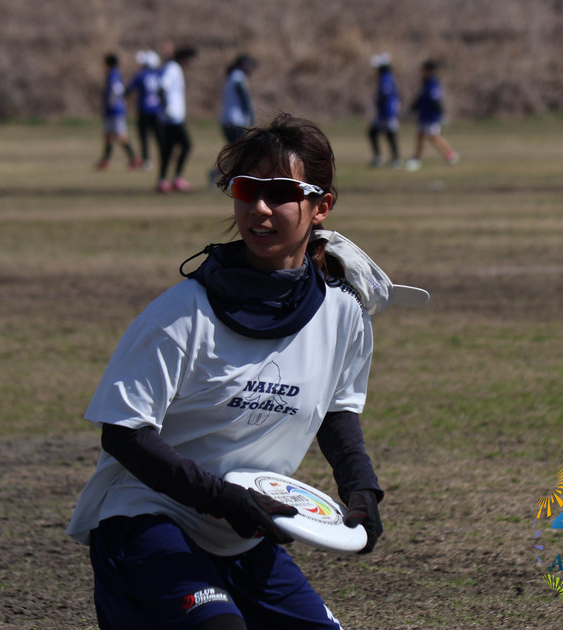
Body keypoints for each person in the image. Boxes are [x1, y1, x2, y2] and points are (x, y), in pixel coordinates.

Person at [67, 114, 429, 629]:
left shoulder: (344, 314)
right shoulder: (181, 314)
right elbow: (124, 434)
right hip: (147, 519)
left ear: (321, 206)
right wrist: (223, 499)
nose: (259, 207)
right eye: (245, 190)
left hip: (242, 532)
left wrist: (362, 491)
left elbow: (336, 412)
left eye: (279, 193)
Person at [405, 59, 459, 172]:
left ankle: (450, 154)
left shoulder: (433, 83)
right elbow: (420, 99)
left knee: (434, 137)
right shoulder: (425, 83)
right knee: (421, 136)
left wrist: (442, 113)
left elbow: (435, 100)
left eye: (424, 70)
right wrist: (412, 109)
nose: (422, 72)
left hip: (431, 116)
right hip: (424, 115)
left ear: (428, 70)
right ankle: (416, 158)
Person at [156, 46, 196, 193]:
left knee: (168, 149)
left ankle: (163, 181)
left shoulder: (173, 68)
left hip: (171, 117)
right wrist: (166, 107)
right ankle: (177, 179)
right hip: (172, 117)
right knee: (186, 145)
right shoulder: (173, 68)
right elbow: (161, 87)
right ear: (183, 58)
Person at [97, 53, 141, 171]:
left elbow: (117, 90)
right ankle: (105, 161)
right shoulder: (114, 74)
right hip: (112, 111)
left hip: (115, 111)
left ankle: (134, 159)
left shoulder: (113, 75)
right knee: (108, 136)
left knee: (121, 136)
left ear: (108, 64)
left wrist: (112, 102)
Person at [126, 50, 163, 171]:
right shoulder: (158, 74)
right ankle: (164, 157)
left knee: (144, 137)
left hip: (144, 110)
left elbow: (129, 89)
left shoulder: (140, 75)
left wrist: (124, 97)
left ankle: (146, 160)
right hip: (157, 110)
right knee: (159, 136)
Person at [367, 53, 401, 168]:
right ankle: (381, 157)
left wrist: (375, 104)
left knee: (390, 135)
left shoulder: (386, 77)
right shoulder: (386, 77)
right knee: (374, 133)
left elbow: (385, 94)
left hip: (388, 111)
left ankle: (395, 159)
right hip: (384, 111)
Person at [219, 54, 257, 144]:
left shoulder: (229, 77)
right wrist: (251, 118)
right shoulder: (239, 77)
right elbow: (245, 98)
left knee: (233, 148)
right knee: (239, 148)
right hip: (237, 119)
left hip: (225, 118)